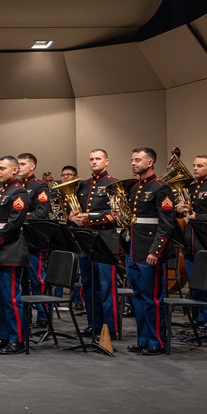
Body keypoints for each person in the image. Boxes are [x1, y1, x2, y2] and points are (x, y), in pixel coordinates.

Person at [125, 147, 177, 355]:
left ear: (150, 163)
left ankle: (157, 342)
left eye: (137, 160)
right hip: (135, 251)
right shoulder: (135, 187)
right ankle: (143, 338)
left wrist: (156, 250)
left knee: (152, 298)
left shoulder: (160, 188)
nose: (133, 163)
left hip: (150, 252)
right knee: (137, 296)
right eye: (132, 159)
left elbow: (166, 224)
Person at [68, 149, 120, 336]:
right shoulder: (82, 185)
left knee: (107, 288)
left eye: (98, 159)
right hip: (85, 242)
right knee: (88, 287)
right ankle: (94, 324)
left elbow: (117, 215)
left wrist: (90, 219)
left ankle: (111, 328)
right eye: (91, 159)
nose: (94, 162)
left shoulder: (113, 184)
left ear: (107, 161)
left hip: (105, 242)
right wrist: (72, 218)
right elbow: (73, 211)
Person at [0, 156, 30, 354]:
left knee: (11, 298)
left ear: (14, 170)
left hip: (9, 251)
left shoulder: (19, 192)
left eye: (2, 168)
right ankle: (4, 337)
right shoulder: (0, 192)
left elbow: (13, 224)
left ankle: (17, 340)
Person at [176, 154, 207, 326]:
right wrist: (181, 209)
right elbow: (189, 213)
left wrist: (199, 216)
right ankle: (199, 318)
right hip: (190, 241)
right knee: (195, 283)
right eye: (194, 165)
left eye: (200, 166)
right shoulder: (191, 187)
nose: (195, 168)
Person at [17, 153, 51, 329]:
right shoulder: (14, 187)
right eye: (18, 164)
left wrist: (19, 218)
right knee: (20, 281)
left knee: (36, 280)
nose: (19, 167)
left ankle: (43, 316)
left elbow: (41, 212)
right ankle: (24, 316)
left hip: (32, 240)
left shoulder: (39, 186)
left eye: (23, 164)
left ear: (32, 166)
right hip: (16, 241)